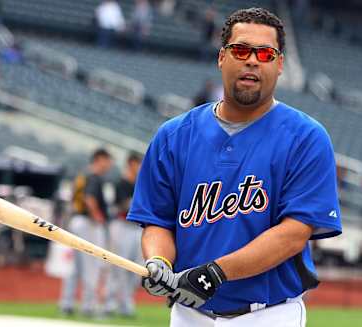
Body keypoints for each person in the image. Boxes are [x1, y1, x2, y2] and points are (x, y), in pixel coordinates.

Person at [127, 7, 342, 326]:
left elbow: (294, 234)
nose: (252, 60)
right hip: (189, 313)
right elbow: (157, 221)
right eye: (241, 50)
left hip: (268, 314)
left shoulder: (306, 137)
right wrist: (159, 261)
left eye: (266, 53)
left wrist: (215, 273)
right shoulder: (173, 136)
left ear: (280, 64)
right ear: (221, 58)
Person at [59, 148, 113, 317]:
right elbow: (89, 199)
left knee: (75, 268)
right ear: (99, 159)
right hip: (88, 224)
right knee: (91, 267)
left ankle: (66, 304)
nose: (109, 164)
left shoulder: (84, 175)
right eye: (107, 160)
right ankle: (88, 306)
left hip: (78, 222)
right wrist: (98, 217)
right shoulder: (93, 177)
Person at [104, 152, 143, 317]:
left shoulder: (142, 183)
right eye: (138, 163)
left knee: (135, 269)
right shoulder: (121, 182)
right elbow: (122, 206)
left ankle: (126, 304)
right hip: (121, 226)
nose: (140, 167)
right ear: (131, 164)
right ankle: (109, 304)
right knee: (117, 266)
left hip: (138, 228)